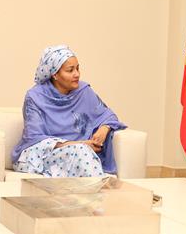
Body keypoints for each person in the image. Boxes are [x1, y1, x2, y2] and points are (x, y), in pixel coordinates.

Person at [12, 45, 126, 178]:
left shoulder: (84, 91)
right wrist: (82, 144)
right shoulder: (35, 97)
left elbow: (108, 115)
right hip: (46, 154)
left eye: (78, 68)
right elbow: (35, 138)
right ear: (54, 74)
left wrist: (104, 128)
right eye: (70, 70)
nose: (76, 74)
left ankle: (96, 194)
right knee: (81, 151)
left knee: (82, 152)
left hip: (84, 154)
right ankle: (102, 193)